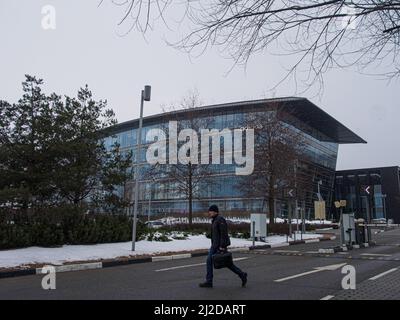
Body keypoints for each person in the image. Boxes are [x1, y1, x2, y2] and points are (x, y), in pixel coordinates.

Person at [199, 205, 247, 288]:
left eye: (210, 211)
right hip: (215, 245)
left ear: (215, 212)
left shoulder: (220, 220)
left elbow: (223, 233)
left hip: (218, 246)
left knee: (222, 262)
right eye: (209, 211)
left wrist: (222, 246)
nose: (209, 213)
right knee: (226, 263)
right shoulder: (215, 220)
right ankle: (242, 275)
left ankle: (209, 281)